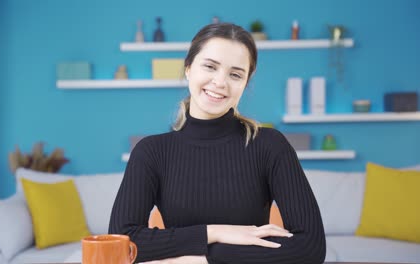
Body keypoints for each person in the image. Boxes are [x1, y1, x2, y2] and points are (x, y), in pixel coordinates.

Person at [109, 22, 326, 264]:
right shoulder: (152, 152)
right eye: (210, 66)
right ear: (189, 68)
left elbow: (310, 247)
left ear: (245, 82)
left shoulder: (270, 146)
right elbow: (121, 241)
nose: (220, 82)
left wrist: (201, 258)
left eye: (235, 74)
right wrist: (216, 232)